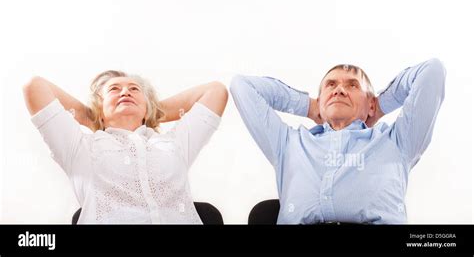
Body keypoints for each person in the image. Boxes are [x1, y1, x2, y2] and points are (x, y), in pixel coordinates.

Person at [230, 59, 446, 224]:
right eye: (330, 85)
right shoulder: (288, 144)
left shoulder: (397, 142)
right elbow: (242, 87)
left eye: (353, 86)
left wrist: (379, 107)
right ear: (320, 100)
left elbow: (432, 72)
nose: (339, 89)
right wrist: (309, 106)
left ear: (370, 103)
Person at [23, 70, 228, 224]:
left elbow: (216, 91)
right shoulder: (81, 148)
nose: (125, 92)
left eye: (134, 89)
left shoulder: (174, 144)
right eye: (114, 89)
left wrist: (151, 109)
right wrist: (91, 115)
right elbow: (35, 87)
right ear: (99, 108)